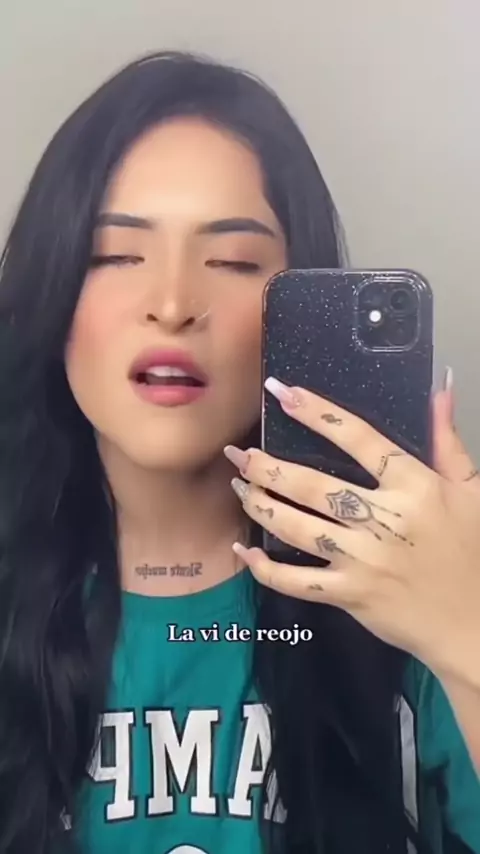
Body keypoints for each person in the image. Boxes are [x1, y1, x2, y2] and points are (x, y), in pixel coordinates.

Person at [0, 50, 478, 854]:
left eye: (232, 261)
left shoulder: (422, 603)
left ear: (298, 314)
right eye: (115, 254)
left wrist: (470, 634)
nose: (173, 304)